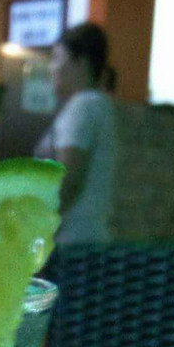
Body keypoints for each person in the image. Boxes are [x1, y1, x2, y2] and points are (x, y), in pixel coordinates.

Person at [34, 23, 117, 248]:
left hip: (71, 242)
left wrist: (34, 226)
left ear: (81, 62)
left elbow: (68, 180)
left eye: (57, 58)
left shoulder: (83, 106)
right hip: (87, 239)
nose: (51, 67)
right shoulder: (98, 104)